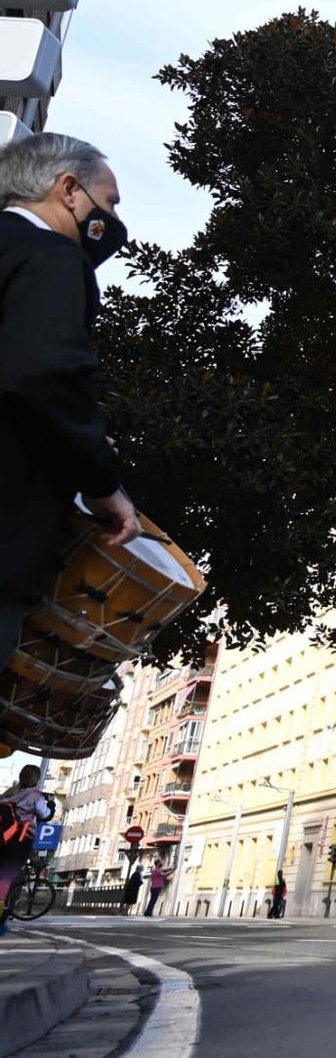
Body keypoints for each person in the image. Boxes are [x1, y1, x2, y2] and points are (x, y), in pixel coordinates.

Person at [0, 134, 142, 669]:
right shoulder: (52, 257)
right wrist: (102, 480)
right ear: (68, 190)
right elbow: (43, 374)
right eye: (108, 204)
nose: (112, 222)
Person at [0, 766, 54, 933]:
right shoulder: (35, 796)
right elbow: (45, 815)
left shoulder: (9, 794)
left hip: (3, 838)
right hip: (21, 840)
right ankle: (1, 920)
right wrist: (51, 805)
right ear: (36, 779)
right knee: (7, 879)